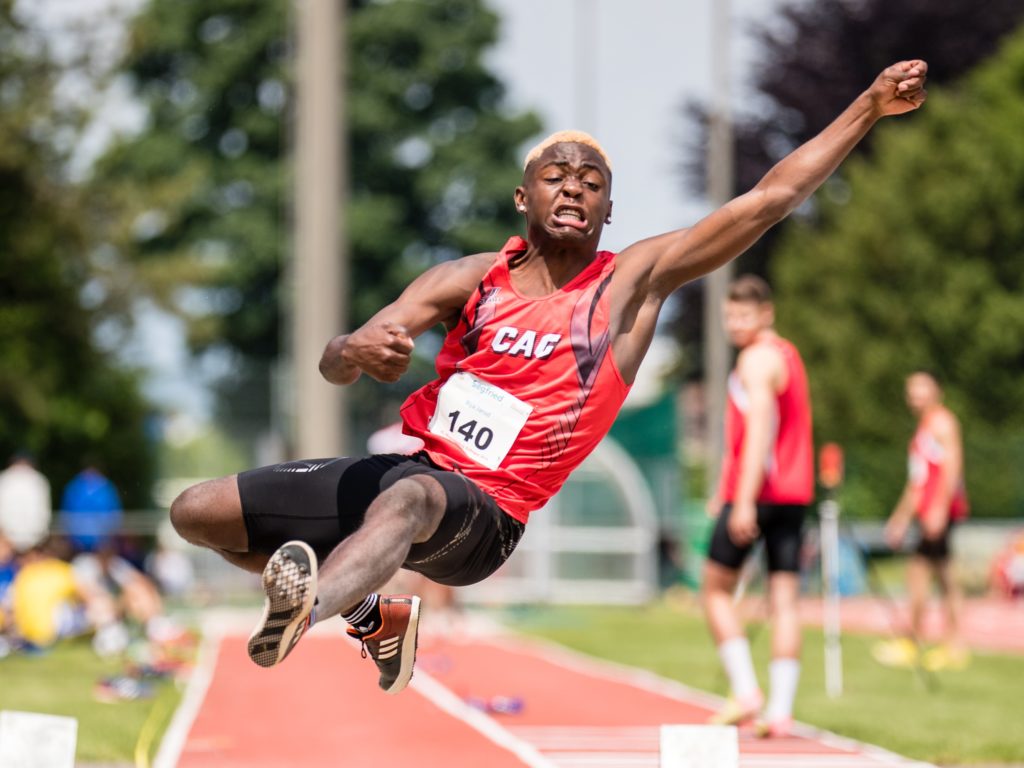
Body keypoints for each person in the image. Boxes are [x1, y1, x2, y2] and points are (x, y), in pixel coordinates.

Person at [169, 61, 929, 695]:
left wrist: (867, 106)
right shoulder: (468, 279)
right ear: (522, 197)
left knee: (408, 494)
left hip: (488, 517)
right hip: (419, 473)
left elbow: (767, 201)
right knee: (197, 511)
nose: (573, 187)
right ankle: (374, 618)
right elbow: (340, 358)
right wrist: (356, 349)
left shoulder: (630, 285)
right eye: (555, 175)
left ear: (608, 207)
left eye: (592, 181)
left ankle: (309, 615)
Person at [701, 275, 813, 738]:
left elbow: (761, 430)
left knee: (714, 590)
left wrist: (741, 499)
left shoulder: (755, 360)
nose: (734, 325)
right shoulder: (788, 355)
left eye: (743, 316)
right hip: (793, 495)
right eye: (728, 316)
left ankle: (746, 691)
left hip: (760, 495)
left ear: (766, 313)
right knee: (785, 601)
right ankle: (782, 712)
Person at [874, 370, 970, 671]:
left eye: (922, 389)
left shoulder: (942, 422)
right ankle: (937, 642)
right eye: (911, 390)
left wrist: (939, 508)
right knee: (940, 574)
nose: (916, 396)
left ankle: (930, 642)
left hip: (940, 513)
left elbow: (952, 466)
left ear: (936, 391)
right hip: (928, 512)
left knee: (924, 573)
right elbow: (918, 482)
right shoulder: (922, 429)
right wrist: (901, 517)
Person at [59, 463, 123, 554]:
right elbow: (67, 512)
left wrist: (108, 537)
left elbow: (114, 514)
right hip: (78, 541)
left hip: (101, 540)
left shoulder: (107, 488)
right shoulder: (74, 487)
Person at [0, 452, 52, 554]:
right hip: (33, 539)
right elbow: (43, 513)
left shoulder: (4, 478)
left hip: (8, 538)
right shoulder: (39, 480)